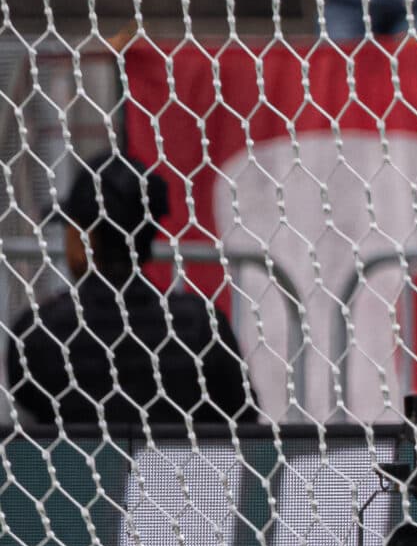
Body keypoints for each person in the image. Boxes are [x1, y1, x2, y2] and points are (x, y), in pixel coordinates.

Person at [7, 154, 256, 432]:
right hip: (176, 473)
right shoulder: (201, 326)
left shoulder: (40, 332)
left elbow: (30, 401)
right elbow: (242, 414)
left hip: (75, 474)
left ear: (86, 236)